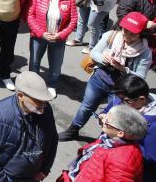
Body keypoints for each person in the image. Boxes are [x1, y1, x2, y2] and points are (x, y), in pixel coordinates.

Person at [59, 12, 153, 141]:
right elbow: (94, 53)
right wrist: (105, 59)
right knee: (86, 106)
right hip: (99, 79)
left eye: (133, 34)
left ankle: (103, 140)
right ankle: (73, 130)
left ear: (141, 33)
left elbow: (140, 78)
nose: (127, 36)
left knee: (113, 116)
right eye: (125, 31)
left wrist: (123, 69)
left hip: (121, 90)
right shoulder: (112, 36)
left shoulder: (145, 52)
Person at [0, 71, 58, 182]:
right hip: (7, 177)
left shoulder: (44, 109)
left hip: (34, 176)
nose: (44, 105)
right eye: (38, 100)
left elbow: (53, 138)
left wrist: (45, 170)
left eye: (45, 100)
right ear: (21, 96)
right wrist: (1, 179)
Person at [60, 104, 147, 182]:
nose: (103, 119)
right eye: (106, 115)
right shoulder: (110, 139)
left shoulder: (122, 161)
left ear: (120, 133)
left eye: (108, 121)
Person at [26, 0, 77, 97]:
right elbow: (30, 16)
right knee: (34, 63)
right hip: (39, 36)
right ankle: (32, 84)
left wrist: (61, 35)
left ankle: (52, 85)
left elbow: (73, 20)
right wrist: (41, 33)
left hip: (58, 38)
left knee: (55, 65)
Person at [101, 75, 156, 180]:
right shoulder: (121, 99)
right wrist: (103, 116)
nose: (120, 103)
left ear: (141, 99)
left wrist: (124, 140)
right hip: (104, 154)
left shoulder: (153, 126)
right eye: (119, 98)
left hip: (126, 170)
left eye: (125, 101)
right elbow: (106, 111)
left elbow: (151, 158)